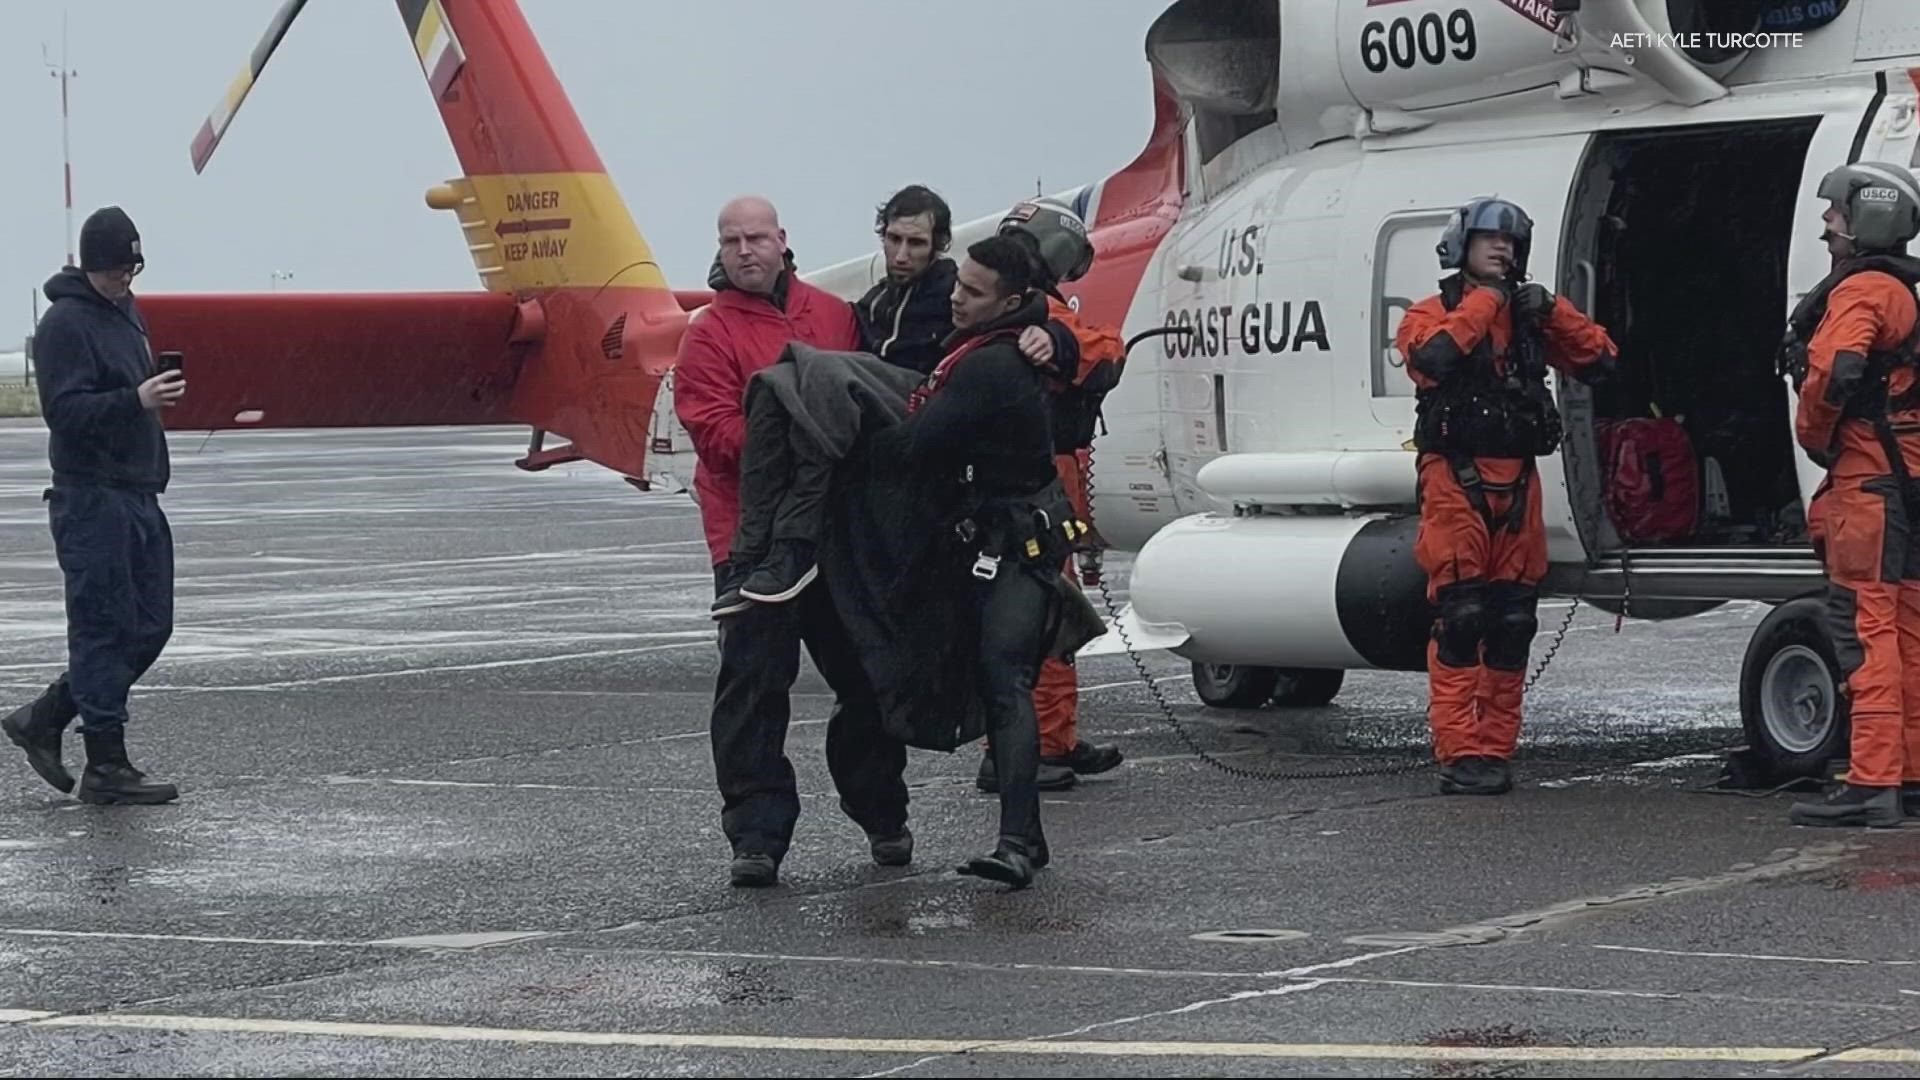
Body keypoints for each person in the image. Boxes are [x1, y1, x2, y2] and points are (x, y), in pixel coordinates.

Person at [672, 195, 911, 887]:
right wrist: (806, 438)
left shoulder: (833, 316)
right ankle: (757, 834)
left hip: (838, 536)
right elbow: (714, 433)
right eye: (731, 240)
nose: (744, 250)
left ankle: (883, 814)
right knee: (752, 686)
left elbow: (878, 399)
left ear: (782, 241)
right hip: (749, 541)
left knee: (869, 679)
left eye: (755, 238)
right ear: (719, 249)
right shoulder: (709, 334)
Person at [864, 234, 1070, 888]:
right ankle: (1026, 838)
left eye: (972, 293)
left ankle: (1016, 843)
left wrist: (846, 429)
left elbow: (916, 447)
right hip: (1007, 536)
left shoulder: (990, 365)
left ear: (1009, 301)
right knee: (1000, 683)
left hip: (1014, 545)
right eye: (958, 284)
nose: (956, 297)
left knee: (1005, 685)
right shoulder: (991, 345)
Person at [1395, 196, 1618, 796]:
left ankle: (1495, 746)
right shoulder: (1428, 313)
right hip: (1455, 479)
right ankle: (1459, 748)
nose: (1504, 249)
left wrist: (1552, 312)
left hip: (1518, 479)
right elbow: (1434, 358)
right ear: (1461, 245)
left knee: (1514, 620)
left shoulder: (1530, 316)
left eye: (1512, 243)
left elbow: (1599, 360)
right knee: (1462, 615)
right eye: (1492, 239)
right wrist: (1488, 299)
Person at [1, 206, 181, 805]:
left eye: (133, 269)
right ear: (92, 267)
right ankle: (106, 765)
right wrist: (135, 399)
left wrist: (148, 400)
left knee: (151, 626)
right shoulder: (64, 325)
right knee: (103, 628)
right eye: (116, 272)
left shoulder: (127, 313)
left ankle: (46, 716)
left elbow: (124, 400)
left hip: (139, 491)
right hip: (91, 497)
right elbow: (67, 414)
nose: (126, 281)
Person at [1781, 162, 1920, 828]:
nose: (1827, 223)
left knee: (1866, 631)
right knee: (1909, 634)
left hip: (1869, 487)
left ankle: (1871, 782)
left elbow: (1836, 370)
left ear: (1869, 218)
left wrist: (1815, 436)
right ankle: (1909, 774)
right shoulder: (1909, 292)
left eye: (1836, 213)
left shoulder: (1864, 288)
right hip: (1911, 485)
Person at [976, 197, 1127, 793]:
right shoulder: (1038, 319)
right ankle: (1017, 750)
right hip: (1036, 478)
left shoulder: (1026, 315)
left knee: (1052, 609)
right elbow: (1104, 354)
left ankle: (1050, 740)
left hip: (1043, 474)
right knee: (1032, 614)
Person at [854, 185, 960, 375]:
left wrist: (1032, 330)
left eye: (916, 242)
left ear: (938, 245)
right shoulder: (875, 300)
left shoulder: (956, 295)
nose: (901, 256)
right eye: (894, 239)